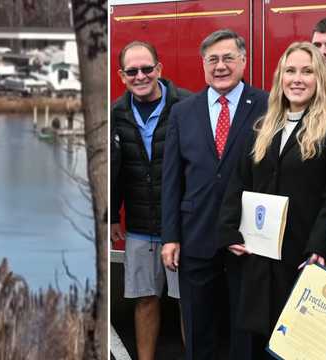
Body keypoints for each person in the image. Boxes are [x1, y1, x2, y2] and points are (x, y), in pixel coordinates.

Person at [216, 42, 326, 359]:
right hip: (259, 258)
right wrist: (229, 231)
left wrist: (318, 246)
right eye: (290, 71)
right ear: (280, 77)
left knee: (297, 348)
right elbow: (239, 183)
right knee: (261, 343)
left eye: (307, 71)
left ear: (320, 78)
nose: (298, 79)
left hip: (303, 259)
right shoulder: (262, 127)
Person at [162, 29, 268, 360]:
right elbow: (172, 179)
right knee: (198, 326)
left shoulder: (266, 104)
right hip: (196, 235)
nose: (220, 66)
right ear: (203, 64)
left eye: (228, 58)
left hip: (246, 237)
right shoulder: (183, 111)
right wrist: (170, 236)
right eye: (213, 60)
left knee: (245, 328)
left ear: (243, 61)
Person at [110, 40, 191, 360]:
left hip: (182, 226)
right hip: (140, 227)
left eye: (147, 69)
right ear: (121, 76)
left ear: (159, 69)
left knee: (189, 301)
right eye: (132, 71)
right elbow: (114, 168)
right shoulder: (115, 113)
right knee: (144, 300)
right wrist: (112, 215)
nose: (140, 76)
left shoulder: (187, 106)